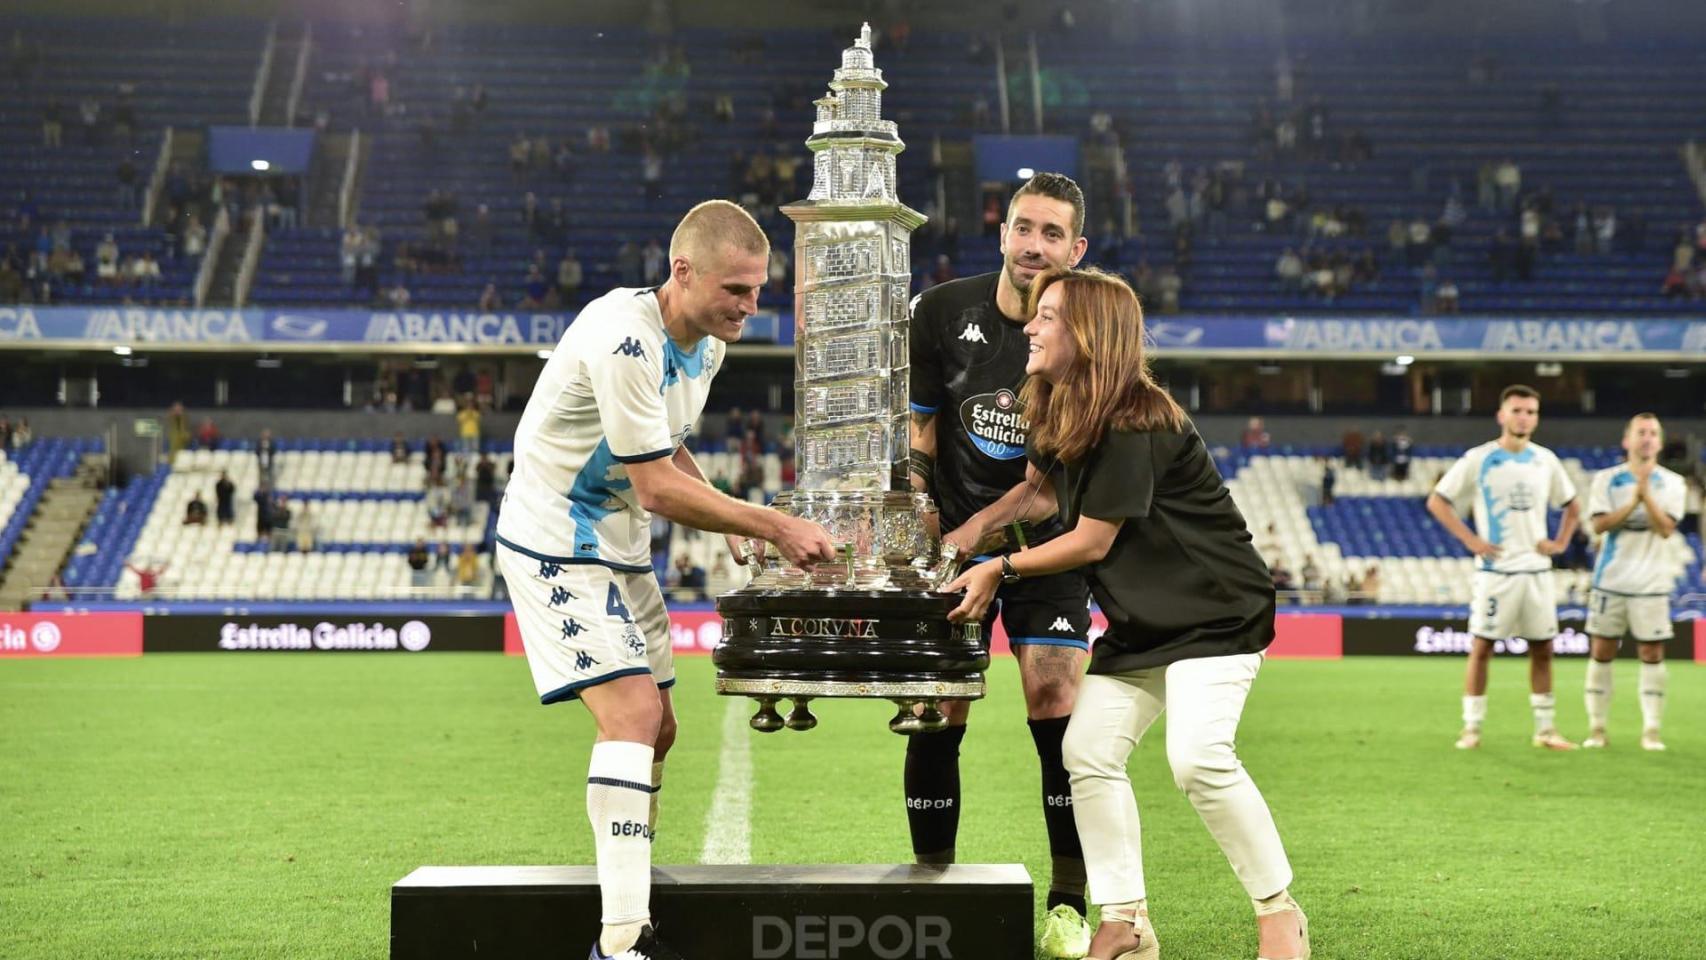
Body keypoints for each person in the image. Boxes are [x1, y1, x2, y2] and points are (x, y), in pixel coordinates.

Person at [494, 199, 836, 960]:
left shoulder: (707, 343)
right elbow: (653, 485)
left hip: (619, 543)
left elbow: (668, 449)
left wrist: (726, 510)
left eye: (758, 289)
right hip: (556, 539)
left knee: (661, 730)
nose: (752, 307)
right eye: (737, 290)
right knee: (633, 720)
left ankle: (629, 887)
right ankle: (622, 939)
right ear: (683, 273)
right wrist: (771, 524)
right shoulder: (624, 337)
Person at [942, 267, 1307, 960]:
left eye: (1048, 315)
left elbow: (1090, 540)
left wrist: (998, 566)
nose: (1030, 325)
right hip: (1143, 621)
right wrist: (964, 539)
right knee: (1087, 752)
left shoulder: (1134, 418)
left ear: (1087, 333)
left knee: (1198, 759)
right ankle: (1126, 920)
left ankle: (1278, 914)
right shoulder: (1056, 407)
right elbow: (1037, 495)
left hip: (1215, 613)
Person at [907, 172, 1095, 958]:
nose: (1035, 245)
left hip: (1042, 547)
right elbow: (919, 433)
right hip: (947, 544)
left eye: (1053, 233)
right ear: (1003, 232)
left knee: (1057, 708)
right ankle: (932, 889)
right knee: (939, 708)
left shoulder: (1087, 336)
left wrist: (974, 537)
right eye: (1025, 227)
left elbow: (1045, 489)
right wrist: (920, 510)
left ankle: (1069, 903)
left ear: (1077, 249)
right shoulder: (944, 313)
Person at [1426, 385, 1581, 751]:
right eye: (1517, 410)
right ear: (1502, 415)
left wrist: (1558, 544)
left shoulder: (1546, 460)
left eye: (1530, 411)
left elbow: (1572, 506)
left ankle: (1545, 730)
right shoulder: (1479, 459)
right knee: (1482, 648)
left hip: (1538, 572)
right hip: (1496, 573)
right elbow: (1438, 501)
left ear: (1536, 417)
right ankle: (1471, 729)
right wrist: (1471, 540)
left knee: (1543, 648)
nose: (1523, 417)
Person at [1583, 414, 1684, 751]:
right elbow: (1600, 525)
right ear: (1627, 440)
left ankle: (1651, 731)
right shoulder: (1606, 480)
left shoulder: (1672, 483)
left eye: (1653, 433)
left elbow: (1666, 528)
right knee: (1602, 651)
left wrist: (1647, 497)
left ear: (1659, 441)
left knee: (1652, 652)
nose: (1647, 439)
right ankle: (1597, 729)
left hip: (1652, 582)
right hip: (1610, 580)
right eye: (1641, 432)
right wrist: (1633, 501)